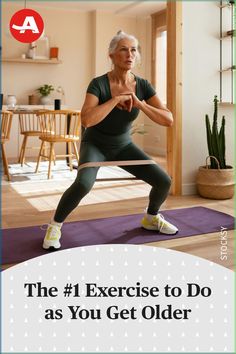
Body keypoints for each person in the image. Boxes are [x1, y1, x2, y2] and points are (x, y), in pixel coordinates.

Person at [42, 31, 178, 250]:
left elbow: (168, 119)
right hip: (95, 144)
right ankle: (55, 225)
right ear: (112, 55)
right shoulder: (98, 84)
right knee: (83, 184)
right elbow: (87, 118)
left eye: (133, 50)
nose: (129, 54)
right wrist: (115, 100)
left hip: (124, 146)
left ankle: (151, 218)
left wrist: (140, 104)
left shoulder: (143, 85)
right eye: (123, 49)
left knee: (163, 181)